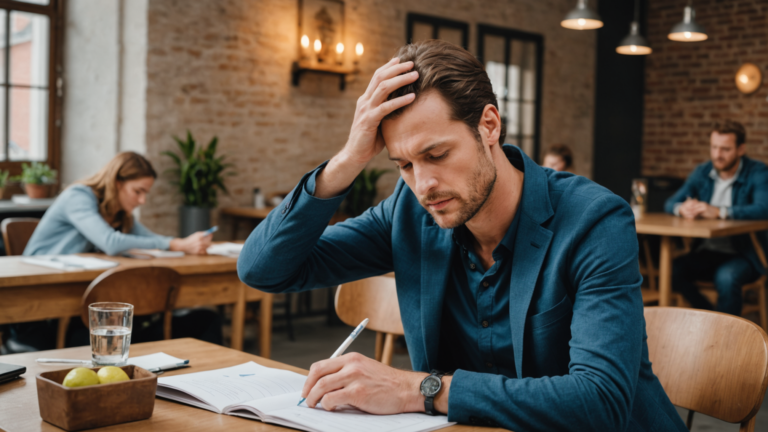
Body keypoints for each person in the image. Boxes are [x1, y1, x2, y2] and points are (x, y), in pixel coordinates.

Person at [238, 40, 685, 431]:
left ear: (488, 125)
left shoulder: (595, 221)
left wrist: (422, 389)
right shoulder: (409, 213)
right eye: (405, 165)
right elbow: (263, 269)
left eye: (437, 154)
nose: (424, 184)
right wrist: (347, 161)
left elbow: (599, 403)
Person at [5, 152, 222, 353]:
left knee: (195, 322)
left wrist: (184, 243)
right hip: (37, 299)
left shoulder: (120, 214)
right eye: (138, 191)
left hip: (73, 299)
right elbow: (110, 242)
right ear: (117, 183)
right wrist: (177, 244)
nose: (142, 201)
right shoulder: (78, 196)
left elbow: (150, 241)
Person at [665, 120, 768, 315]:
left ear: (741, 149)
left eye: (725, 149)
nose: (717, 155)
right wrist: (682, 209)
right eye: (714, 147)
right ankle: (710, 316)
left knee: (726, 278)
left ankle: (726, 340)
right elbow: (670, 203)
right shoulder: (702, 171)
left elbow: (764, 209)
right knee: (672, 270)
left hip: (744, 254)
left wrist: (720, 211)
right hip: (708, 251)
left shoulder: (758, 172)